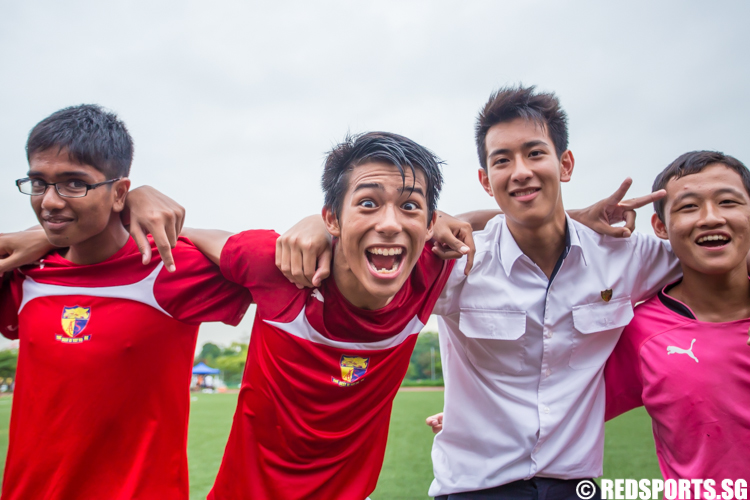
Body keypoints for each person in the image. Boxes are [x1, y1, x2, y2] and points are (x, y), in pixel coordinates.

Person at [281, 86, 682, 499]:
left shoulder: (624, 257)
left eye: (535, 153)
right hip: (475, 489)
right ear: (486, 181)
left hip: (576, 486)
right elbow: (366, 255)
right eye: (502, 161)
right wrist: (316, 222)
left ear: (565, 164)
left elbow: (714, 265)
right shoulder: (459, 265)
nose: (520, 170)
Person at [178, 131, 459, 500]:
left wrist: (456, 220)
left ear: (429, 224)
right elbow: (192, 234)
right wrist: (140, 198)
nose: (390, 223)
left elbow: (527, 224)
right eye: (368, 203)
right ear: (332, 218)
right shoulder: (279, 264)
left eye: (409, 206)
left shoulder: (433, 268)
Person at [0, 104, 251, 500]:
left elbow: (268, 265)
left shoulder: (168, 266)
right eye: (38, 182)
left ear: (119, 191)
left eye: (73, 184)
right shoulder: (23, 269)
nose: (49, 201)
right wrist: (39, 236)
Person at [604, 151, 750, 486]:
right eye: (689, 206)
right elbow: (560, 410)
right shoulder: (642, 332)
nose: (711, 218)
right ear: (660, 226)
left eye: (728, 202)